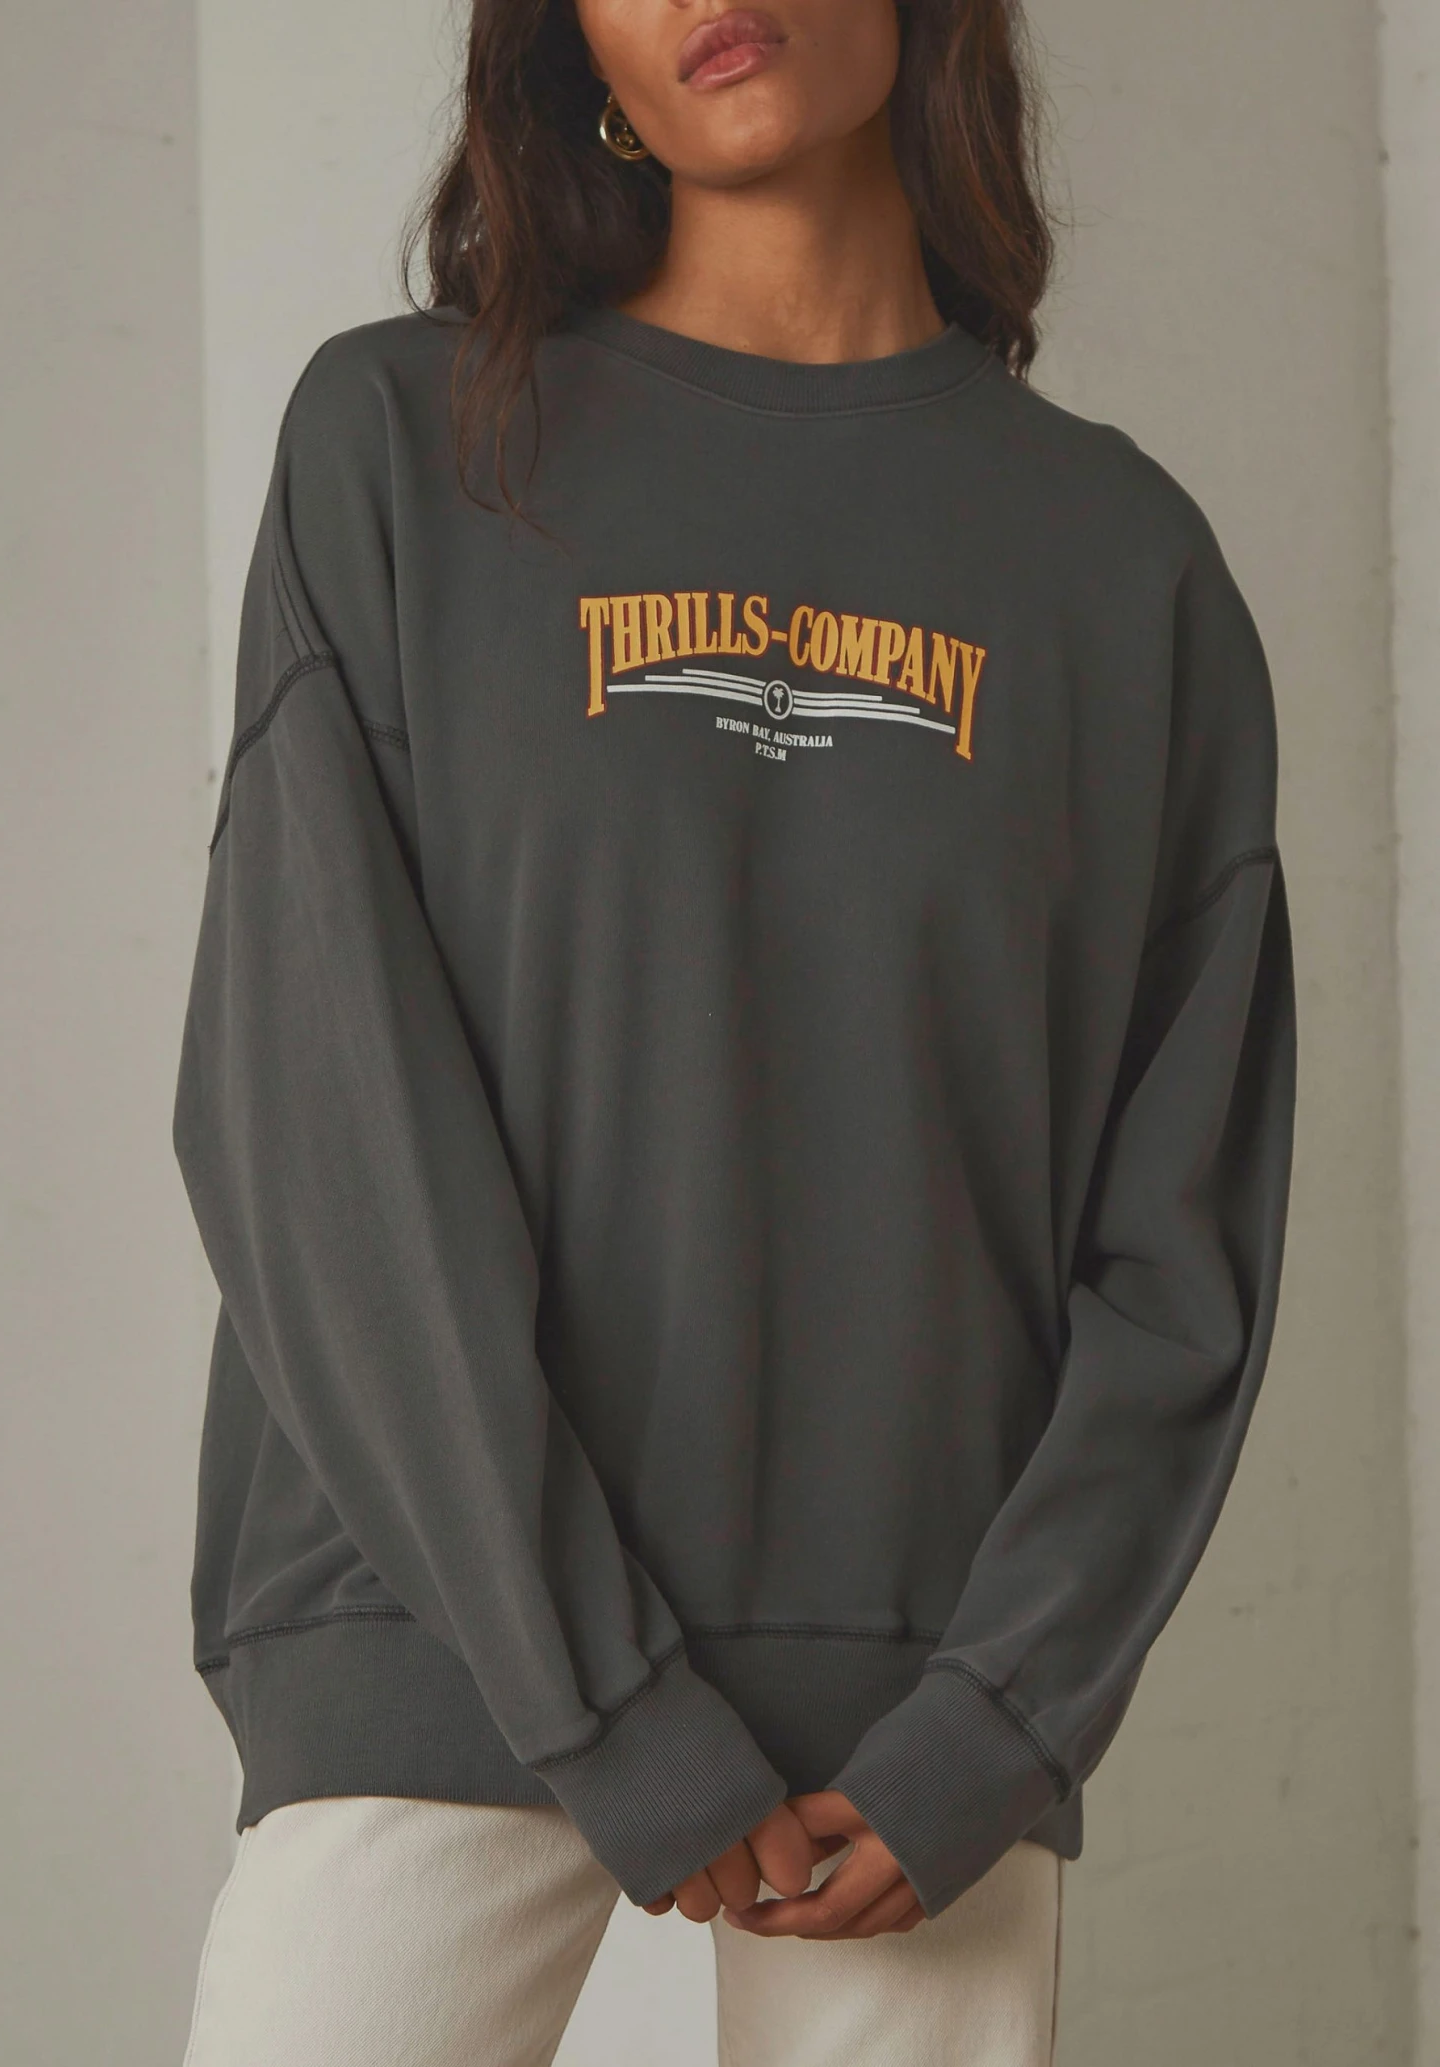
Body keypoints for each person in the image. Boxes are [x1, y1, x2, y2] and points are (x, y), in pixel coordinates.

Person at [172, 0, 1297, 2061]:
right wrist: (595, 1684)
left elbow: (1182, 1242)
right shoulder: (405, 445)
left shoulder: (1121, 566)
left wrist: (1001, 1713)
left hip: (914, 1736)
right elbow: (315, 1116)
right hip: (438, 1635)